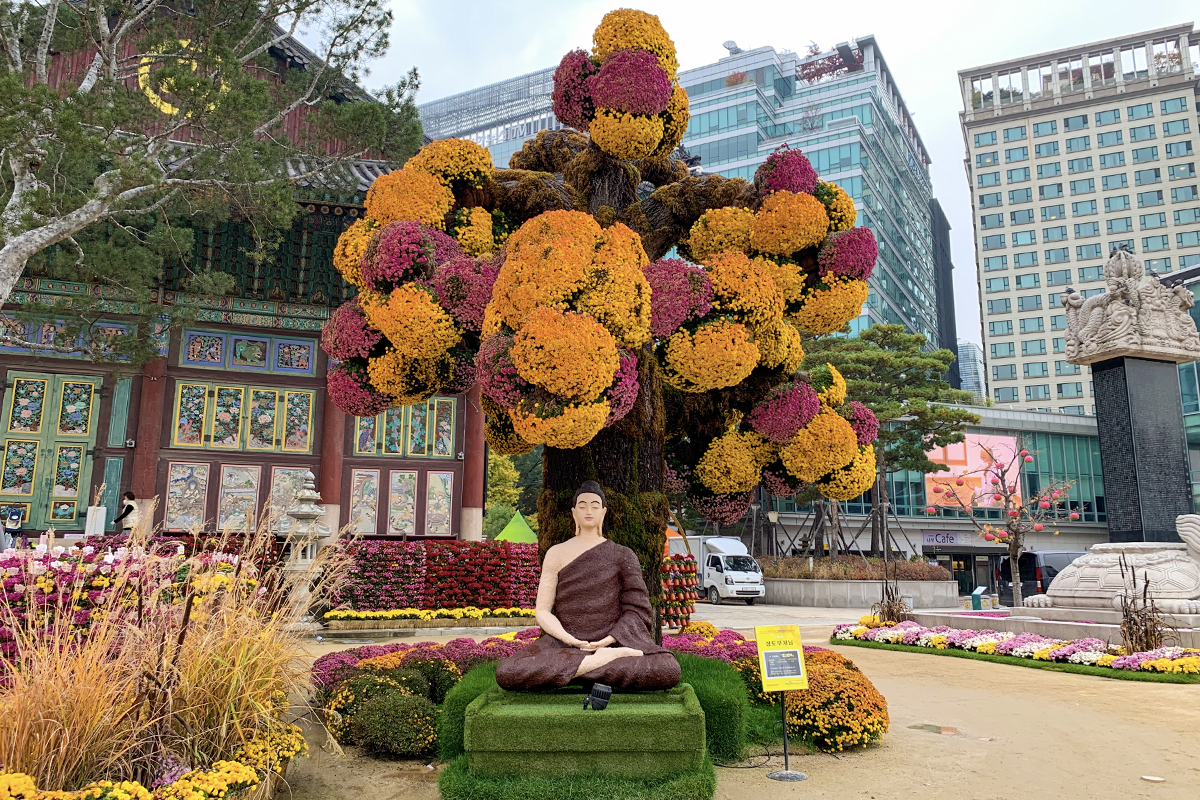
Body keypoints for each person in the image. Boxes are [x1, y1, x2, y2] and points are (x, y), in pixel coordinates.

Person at [495, 480, 681, 692]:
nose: (588, 510)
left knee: (667, 668)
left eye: (594, 505)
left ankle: (575, 672)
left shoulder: (622, 554)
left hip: (612, 643)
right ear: (574, 513)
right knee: (508, 672)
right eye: (582, 506)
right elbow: (543, 610)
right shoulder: (556, 553)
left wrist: (609, 642)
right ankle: (597, 665)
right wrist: (569, 639)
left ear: (603, 512)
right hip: (563, 645)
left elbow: (637, 610)